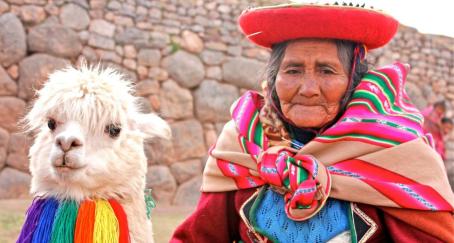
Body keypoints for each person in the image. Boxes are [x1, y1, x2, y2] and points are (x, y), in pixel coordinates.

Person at [171, 3, 454, 243]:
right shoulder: (244, 147)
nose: (308, 88)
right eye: (292, 70)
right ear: (273, 80)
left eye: (326, 71)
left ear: (353, 82)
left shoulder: (398, 156)